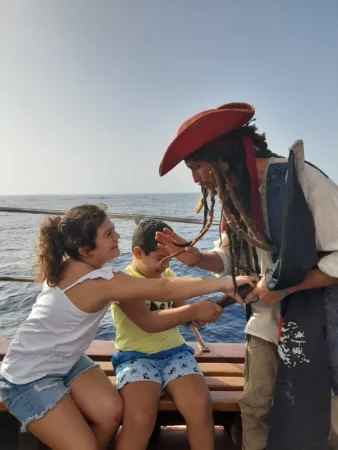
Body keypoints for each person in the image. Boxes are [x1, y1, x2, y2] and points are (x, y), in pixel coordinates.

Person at [156, 102, 338, 450]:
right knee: (255, 408)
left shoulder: (300, 179)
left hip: (320, 324)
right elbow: (228, 258)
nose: (195, 178)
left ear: (223, 155)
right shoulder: (234, 197)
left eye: (197, 166)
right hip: (263, 324)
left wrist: (287, 287)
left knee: (325, 416)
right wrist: (196, 258)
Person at [0, 204, 254, 450]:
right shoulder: (98, 282)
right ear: (85, 249)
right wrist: (224, 284)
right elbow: (163, 289)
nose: (117, 235)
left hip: (67, 361)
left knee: (111, 412)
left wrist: (193, 310)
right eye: (108, 233)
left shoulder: (73, 265)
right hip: (29, 374)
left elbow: (166, 289)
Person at [112, 219, 248, 450]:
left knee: (200, 408)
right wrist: (193, 310)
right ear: (137, 252)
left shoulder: (168, 274)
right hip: (136, 357)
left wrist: (198, 317)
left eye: (169, 260)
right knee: (140, 419)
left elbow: (183, 315)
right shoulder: (123, 282)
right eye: (159, 259)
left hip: (175, 353)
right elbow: (149, 323)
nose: (165, 267)